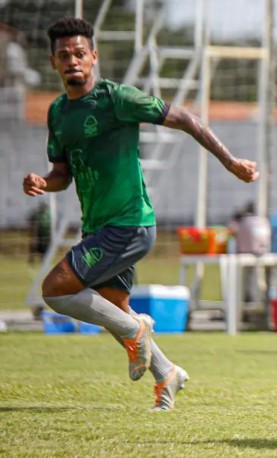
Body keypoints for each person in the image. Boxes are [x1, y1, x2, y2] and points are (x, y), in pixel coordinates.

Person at [21, 17, 257, 411]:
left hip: (129, 223)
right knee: (116, 310)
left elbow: (184, 118)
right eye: (64, 55)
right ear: (53, 63)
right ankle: (167, 374)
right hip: (97, 225)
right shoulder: (59, 112)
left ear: (93, 56)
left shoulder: (117, 99)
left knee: (55, 291)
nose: (72, 61)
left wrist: (230, 162)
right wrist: (44, 183)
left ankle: (138, 331)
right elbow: (63, 174)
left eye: (80, 53)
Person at [28, 201, 51, 266]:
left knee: (44, 251)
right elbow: (32, 224)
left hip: (46, 236)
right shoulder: (36, 214)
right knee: (34, 249)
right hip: (38, 235)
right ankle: (31, 262)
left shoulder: (49, 214)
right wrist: (33, 236)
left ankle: (43, 263)